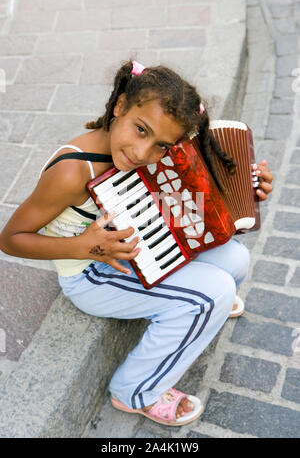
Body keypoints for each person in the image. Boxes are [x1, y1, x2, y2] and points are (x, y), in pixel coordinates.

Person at [0, 60, 273, 426]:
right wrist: (84, 246)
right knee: (213, 293)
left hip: (136, 245)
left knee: (236, 258)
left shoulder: (141, 153)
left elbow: (185, 202)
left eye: (161, 145)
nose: (143, 153)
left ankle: (197, 308)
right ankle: (135, 392)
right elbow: (11, 240)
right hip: (90, 274)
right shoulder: (72, 171)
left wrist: (245, 191)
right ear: (119, 107)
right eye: (140, 130)